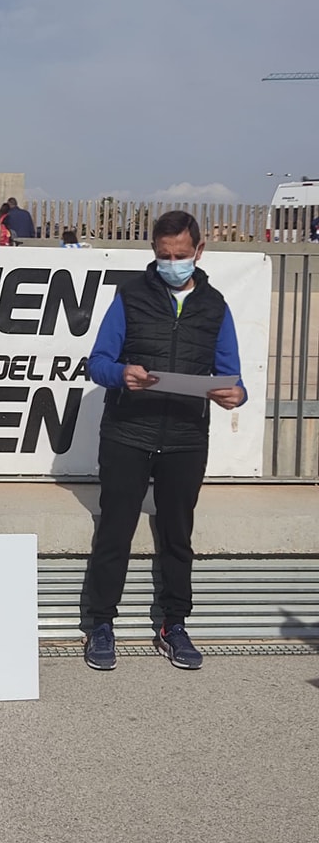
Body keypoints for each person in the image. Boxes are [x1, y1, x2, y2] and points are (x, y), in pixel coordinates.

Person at [84, 210, 246, 672]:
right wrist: (121, 374)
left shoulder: (215, 306)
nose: (173, 263)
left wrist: (237, 394)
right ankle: (100, 623)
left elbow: (232, 375)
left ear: (199, 251)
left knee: (178, 536)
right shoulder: (130, 295)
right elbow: (97, 362)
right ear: (153, 252)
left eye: (181, 255)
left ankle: (174, 624)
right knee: (114, 532)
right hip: (127, 432)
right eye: (164, 256)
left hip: (186, 438)